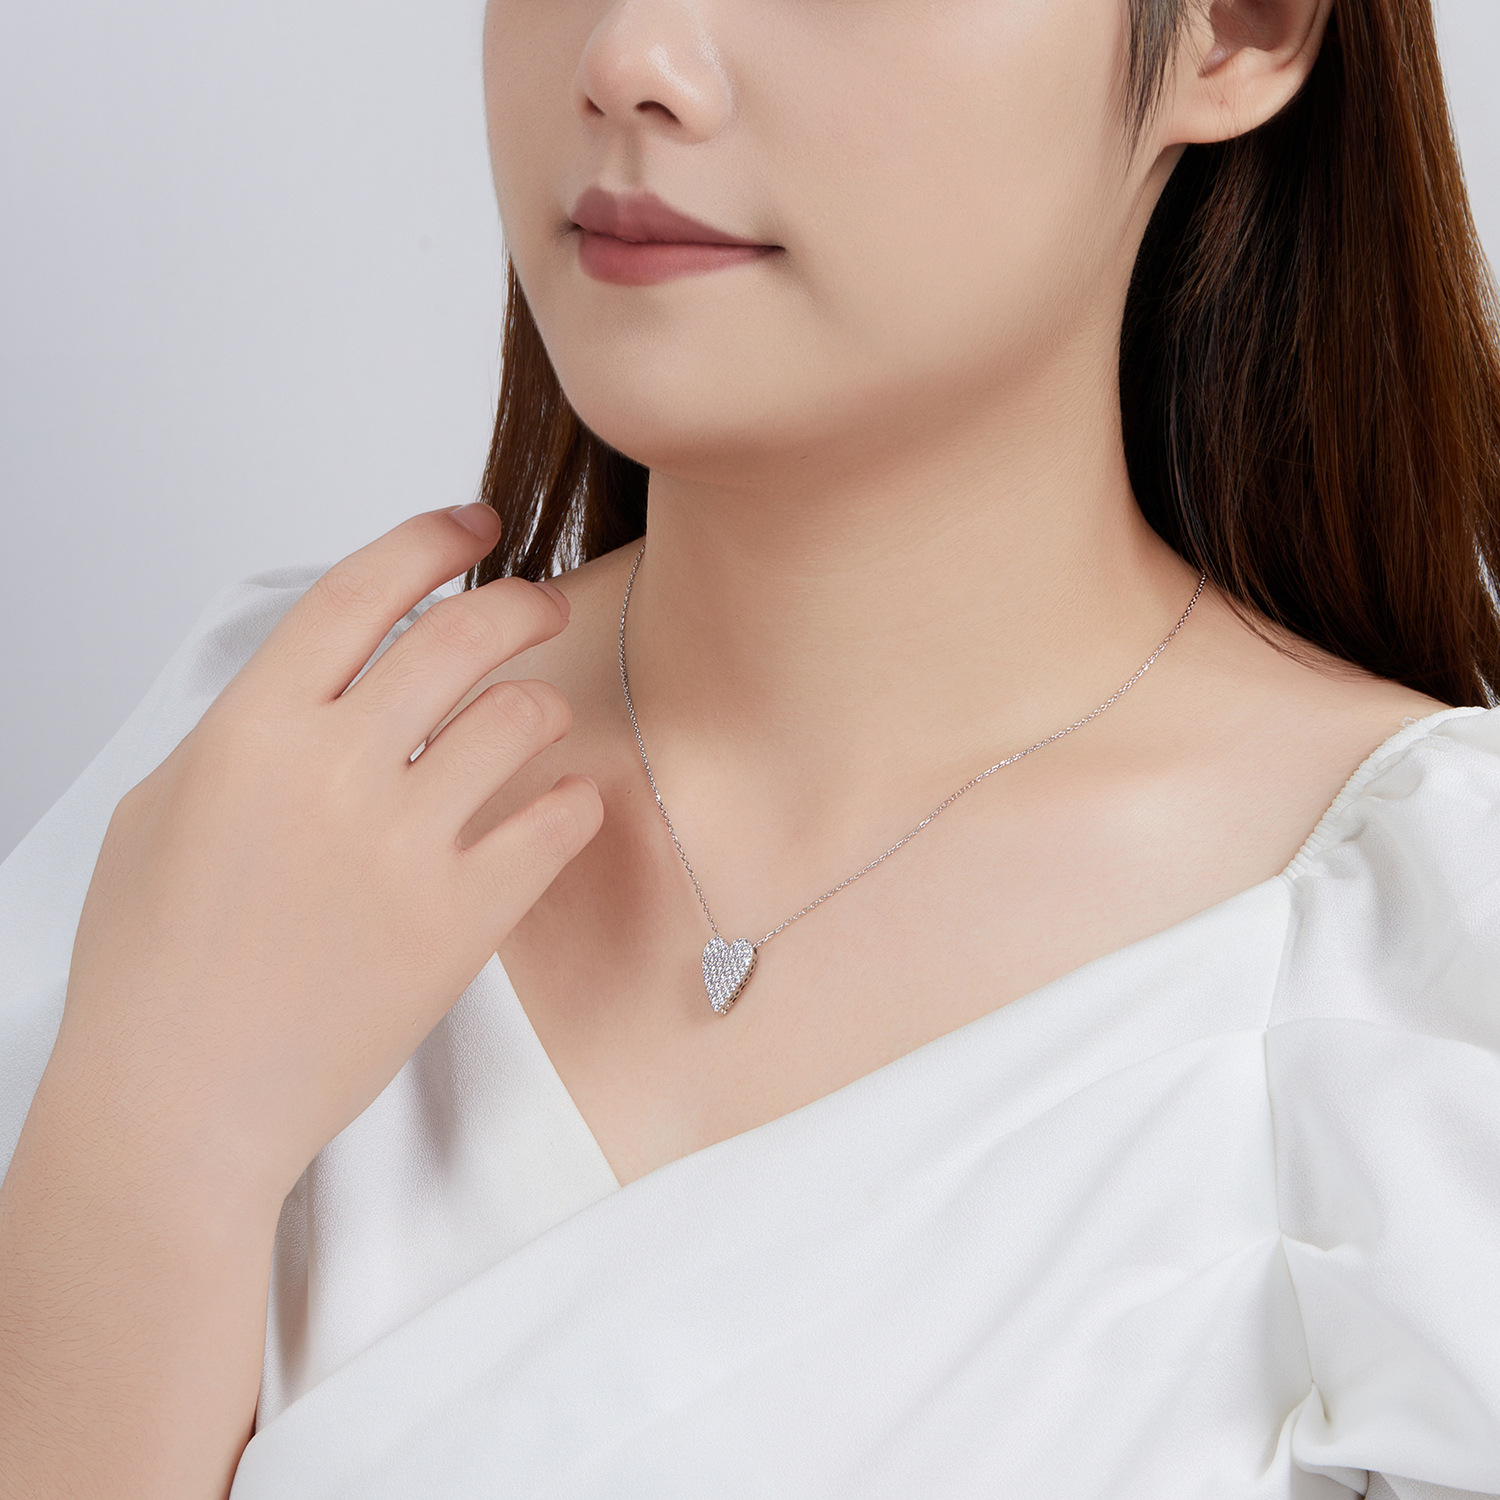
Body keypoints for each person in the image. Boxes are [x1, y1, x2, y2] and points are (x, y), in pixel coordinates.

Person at [3, 0, 1499, 1492]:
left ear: (1234, 31)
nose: (626, 59)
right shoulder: (258, 776)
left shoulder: (1422, 981)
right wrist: (139, 1167)